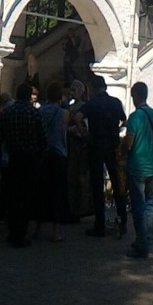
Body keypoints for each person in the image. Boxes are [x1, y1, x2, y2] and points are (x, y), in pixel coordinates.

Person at [79, 74, 128, 238]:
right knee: (117, 182)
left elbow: (77, 117)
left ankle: (100, 224)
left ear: (92, 88)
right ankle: (123, 220)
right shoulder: (115, 103)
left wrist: (85, 133)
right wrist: (117, 130)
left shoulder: (91, 104)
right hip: (112, 145)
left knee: (97, 185)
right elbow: (125, 120)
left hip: (96, 145)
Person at [0, 81, 45, 248]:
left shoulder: (7, 112)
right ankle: (22, 233)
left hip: (12, 158)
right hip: (30, 159)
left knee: (12, 195)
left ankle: (12, 231)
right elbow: (42, 138)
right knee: (26, 197)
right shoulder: (35, 113)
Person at [122, 81, 153, 259]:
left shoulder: (135, 117)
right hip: (152, 167)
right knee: (149, 206)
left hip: (137, 167)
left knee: (138, 207)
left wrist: (122, 150)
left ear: (135, 96)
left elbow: (129, 143)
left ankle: (141, 245)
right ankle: (148, 241)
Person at [34, 81, 69, 242]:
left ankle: (37, 227)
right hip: (59, 154)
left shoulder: (40, 111)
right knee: (57, 192)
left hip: (43, 154)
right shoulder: (64, 113)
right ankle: (56, 231)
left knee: (41, 191)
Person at [64, 79, 91, 222]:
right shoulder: (69, 106)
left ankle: (79, 209)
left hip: (79, 147)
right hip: (70, 146)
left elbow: (84, 127)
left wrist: (70, 130)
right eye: (72, 88)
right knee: (70, 177)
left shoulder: (84, 107)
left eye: (76, 89)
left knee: (78, 177)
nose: (72, 91)